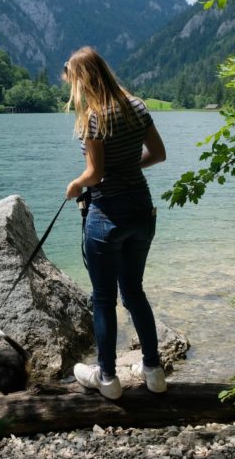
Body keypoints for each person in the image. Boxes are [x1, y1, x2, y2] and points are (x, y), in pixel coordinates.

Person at [62, 46, 168, 399]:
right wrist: (126, 168)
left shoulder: (95, 117)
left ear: (83, 80)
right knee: (134, 292)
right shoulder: (137, 106)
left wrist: (76, 185)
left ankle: (107, 378)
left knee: (104, 299)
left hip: (107, 215)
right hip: (142, 211)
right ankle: (154, 371)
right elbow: (158, 153)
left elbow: (95, 174)